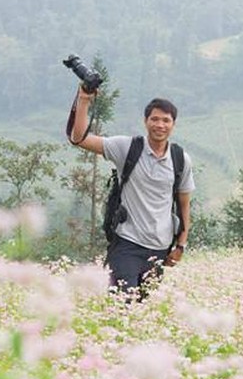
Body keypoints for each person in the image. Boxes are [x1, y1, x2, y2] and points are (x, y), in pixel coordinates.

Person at [68, 87, 195, 298]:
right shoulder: (127, 148)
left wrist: (180, 245)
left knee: (140, 312)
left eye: (166, 120)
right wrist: (83, 100)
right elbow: (80, 138)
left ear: (173, 124)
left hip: (160, 249)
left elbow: (184, 206)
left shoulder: (180, 159)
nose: (160, 125)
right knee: (122, 304)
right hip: (127, 244)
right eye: (155, 119)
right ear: (146, 121)